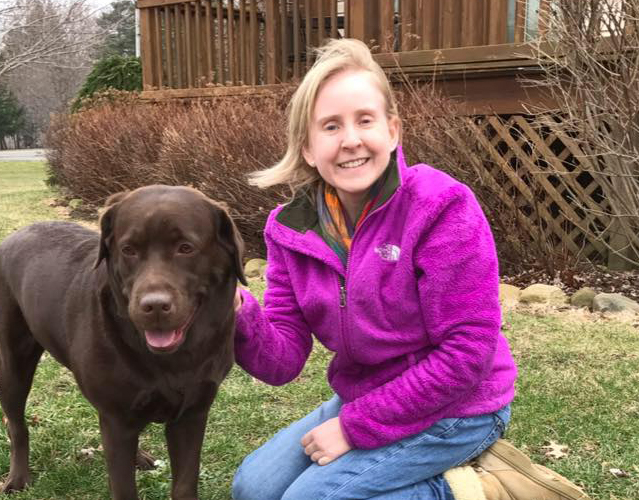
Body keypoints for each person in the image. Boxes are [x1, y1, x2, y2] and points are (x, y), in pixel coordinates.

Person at [230, 38, 590, 500]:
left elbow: (467, 351)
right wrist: (237, 308)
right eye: (331, 126)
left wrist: (354, 428)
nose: (351, 140)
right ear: (307, 147)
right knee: (253, 489)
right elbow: (281, 361)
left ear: (393, 130)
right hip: (367, 396)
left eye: (365, 120)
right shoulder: (289, 230)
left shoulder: (441, 206)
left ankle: (471, 492)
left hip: (462, 408)